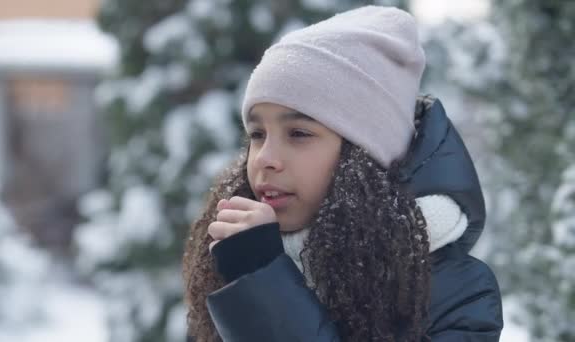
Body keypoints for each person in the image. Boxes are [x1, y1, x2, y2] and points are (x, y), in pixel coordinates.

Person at [182, 5, 503, 342]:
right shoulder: (229, 268)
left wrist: (263, 280)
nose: (265, 159)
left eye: (299, 134)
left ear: (365, 155)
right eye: (257, 135)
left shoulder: (460, 292)